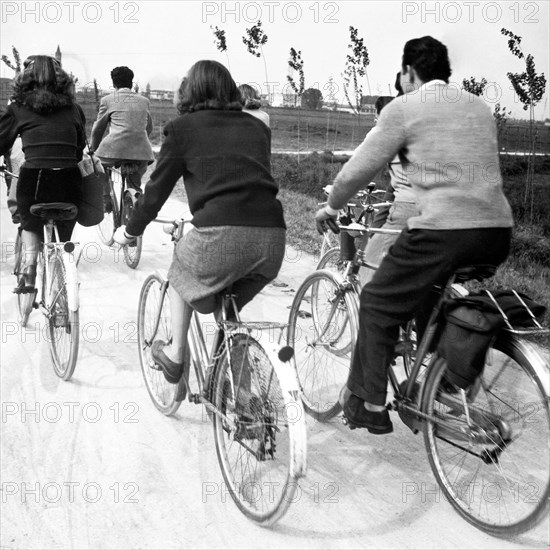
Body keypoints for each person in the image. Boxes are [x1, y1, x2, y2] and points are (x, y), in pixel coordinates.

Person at [315, 36, 513, 435]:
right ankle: (439, 382)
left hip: (444, 231)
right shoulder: (478, 107)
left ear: (409, 73)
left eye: (403, 75)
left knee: (376, 301)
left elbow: (360, 169)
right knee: (430, 293)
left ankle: (370, 403)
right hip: (497, 232)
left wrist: (332, 206)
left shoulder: (404, 107)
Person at [114, 60, 286, 386]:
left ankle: (177, 354)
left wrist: (130, 230)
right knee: (229, 310)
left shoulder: (183, 129)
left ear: (189, 90)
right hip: (272, 241)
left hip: (221, 235)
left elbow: (154, 193)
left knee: (180, 266)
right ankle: (241, 396)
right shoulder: (257, 128)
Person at [0, 55, 85, 292]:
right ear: (62, 80)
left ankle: (29, 264)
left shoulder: (18, 108)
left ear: (24, 79)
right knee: (65, 222)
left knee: (29, 221)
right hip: (69, 180)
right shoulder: (74, 109)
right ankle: (63, 261)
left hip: (35, 180)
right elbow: (79, 151)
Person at [359, 90, 419, 287]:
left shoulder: (382, 134)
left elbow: (359, 168)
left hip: (408, 204)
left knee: (370, 260)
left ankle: (367, 303)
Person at [89, 66, 154, 208]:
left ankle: (106, 199)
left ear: (114, 84)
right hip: (142, 152)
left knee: (96, 164)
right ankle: (135, 202)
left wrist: (93, 149)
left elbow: (98, 129)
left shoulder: (108, 100)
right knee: (135, 185)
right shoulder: (144, 101)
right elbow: (149, 128)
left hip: (114, 150)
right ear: (131, 82)